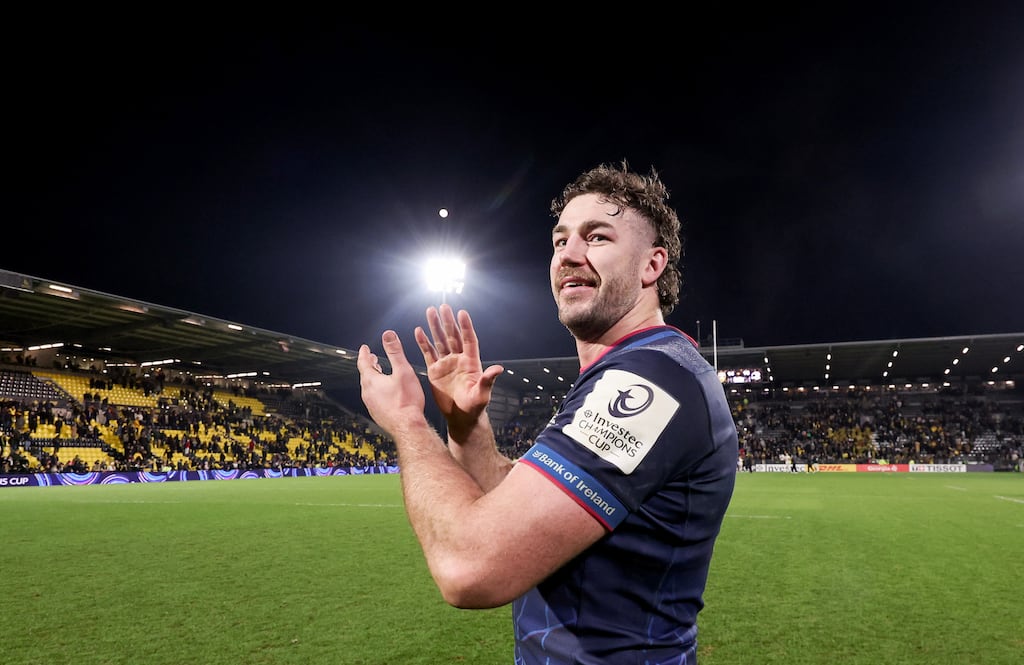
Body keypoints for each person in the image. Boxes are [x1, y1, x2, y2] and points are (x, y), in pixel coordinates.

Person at [358, 161, 738, 664]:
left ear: (652, 265)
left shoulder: (648, 381)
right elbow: (521, 515)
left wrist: (407, 420)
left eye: (596, 238)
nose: (569, 255)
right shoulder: (630, 371)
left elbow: (470, 567)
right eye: (560, 241)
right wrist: (465, 425)